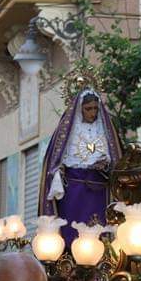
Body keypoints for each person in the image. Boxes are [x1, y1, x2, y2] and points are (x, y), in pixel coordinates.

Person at [39, 88, 121, 249]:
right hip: (74, 190)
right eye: (88, 109)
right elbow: (54, 162)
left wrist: (105, 165)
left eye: (95, 109)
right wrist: (57, 174)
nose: (92, 113)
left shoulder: (104, 130)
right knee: (73, 230)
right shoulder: (68, 131)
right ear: (80, 109)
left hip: (98, 191)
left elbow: (116, 162)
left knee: (98, 230)